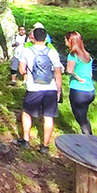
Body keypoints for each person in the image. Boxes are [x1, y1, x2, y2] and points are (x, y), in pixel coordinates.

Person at [14, 27, 64, 155]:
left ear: (33, 38)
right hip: (51, 88)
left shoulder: (26, 51)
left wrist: (26, 73)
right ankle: (45, 146)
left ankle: (26, 140)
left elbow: (21, 70)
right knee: (48, 116)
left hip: (33, 88)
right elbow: (58, 74)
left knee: (27, 113)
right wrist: (58, 91)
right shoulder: (53, 52)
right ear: (46, 38)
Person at [65, 31, 95, 135]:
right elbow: (90, 74)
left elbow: (69, 70)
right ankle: (89, 137)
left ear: (70, 41)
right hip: (90, 90)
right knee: (84, 117)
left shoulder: (73, 55)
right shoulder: (87, 55)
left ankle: (88, 140)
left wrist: (78, 78)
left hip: (78, 91)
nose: (65, 42)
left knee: (81, 119)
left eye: (66, 39)